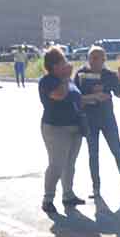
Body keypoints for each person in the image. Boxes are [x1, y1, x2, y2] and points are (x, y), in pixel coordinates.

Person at [75, 47, 120, 199]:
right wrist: (92, 94)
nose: (95, 61)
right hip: (89, 119)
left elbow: (119, 94)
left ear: (104, 60)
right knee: (93, 154)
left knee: (117, 151)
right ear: (88, 59)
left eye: (98, 58)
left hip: (107, 118)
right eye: (92, 58)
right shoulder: (81, 74)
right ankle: (96, 188)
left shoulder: (109, 75)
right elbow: (76, 96)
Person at [38, 46, 85, 214]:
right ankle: (48, 198)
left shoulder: (68, 80)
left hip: (74, 126)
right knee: (57, 164)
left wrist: (93, 98)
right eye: (63, 61)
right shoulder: (48, 81)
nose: (67, 64)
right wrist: (65, 77)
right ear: (54, 65)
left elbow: (76, 97)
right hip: (56, 128)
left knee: (70, 164)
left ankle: (68, 194)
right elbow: (59, 95)